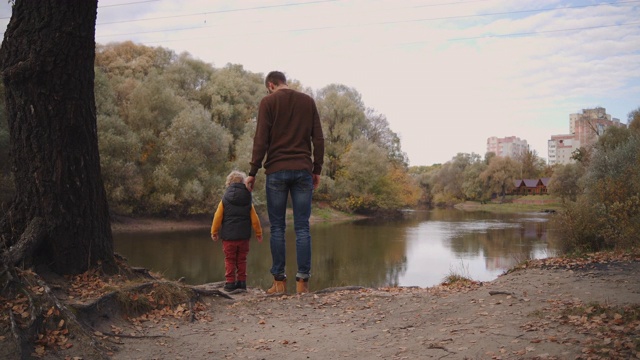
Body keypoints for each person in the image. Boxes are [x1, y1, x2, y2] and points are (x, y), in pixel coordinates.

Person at [245, 71, 324, 295]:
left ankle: (279, 283)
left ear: (271, 84)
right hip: (302, 171)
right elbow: (318, 138)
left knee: (278, 227)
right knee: (302, 227)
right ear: (284, 82)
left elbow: (261, 138)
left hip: (277, 171)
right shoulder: (307, 101)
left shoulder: (268, 102)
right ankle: (303, 284)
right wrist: (316, 169)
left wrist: (253, 171)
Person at [211, 170, 263, 292]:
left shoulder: (225, 199)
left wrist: (214, 231)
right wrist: (258, 233)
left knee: (229, 259)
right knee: (242, 259)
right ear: (244, 183)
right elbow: (254, 218)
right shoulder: (247, 199)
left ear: (228, 183)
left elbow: (217, 217)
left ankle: (230, 283)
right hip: (243, 237)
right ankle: (242, 282)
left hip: (229, 238)